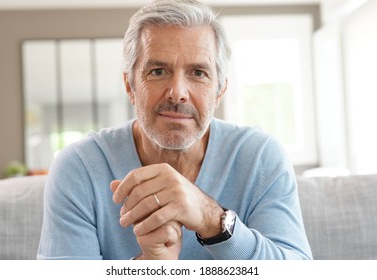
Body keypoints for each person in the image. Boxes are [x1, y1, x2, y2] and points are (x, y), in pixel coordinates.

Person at [37, 0, 312, 260]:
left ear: (220, 91)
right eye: (157, 71)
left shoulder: (260, 156)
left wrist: (210, 218)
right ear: (130, 86)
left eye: (198, 73)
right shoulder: (79, 167)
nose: (177, 93)